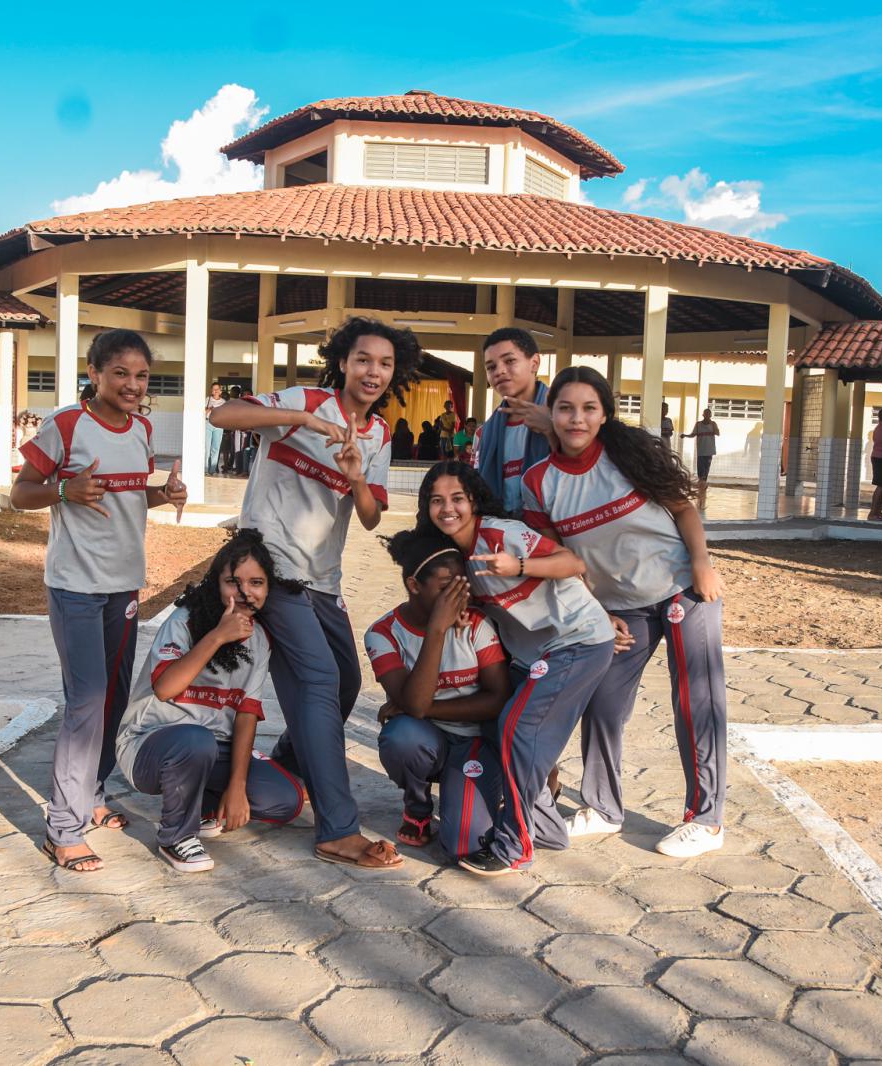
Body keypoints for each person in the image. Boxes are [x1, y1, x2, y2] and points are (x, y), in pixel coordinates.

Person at [209, 316, 424, 869]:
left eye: (385, 364)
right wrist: (299, 418)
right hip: (267, 571)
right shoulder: (306, 401)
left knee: (347, 681)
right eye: (363, 360)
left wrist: (354, 475)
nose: (373, 372)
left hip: (322, 581)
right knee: (318, 681)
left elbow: (372, 517)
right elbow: (223, 414)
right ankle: (337, 828)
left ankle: (282, 769)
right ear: (344, 363)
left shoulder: (377, 435)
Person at [523, 367, 729, 858]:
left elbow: (683, 509)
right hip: (615, 607)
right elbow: (556, 557)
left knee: (696, 700)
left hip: (681, 589)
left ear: (604, 414)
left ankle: (706, 819)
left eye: (589, 408)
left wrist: (701, 562)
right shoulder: (539, 481)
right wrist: (594, 610)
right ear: (550, 414)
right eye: (566, 407)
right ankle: (602, 809)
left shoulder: (627, 456)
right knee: (602, 705)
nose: (577, 418)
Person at [11, 328, 188, 873]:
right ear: (94, 373)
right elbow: (20, 495)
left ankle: (92, 795)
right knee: (85, 702)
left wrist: (165, 494)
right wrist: (65, 490)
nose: (133, 385)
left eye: (141, 375)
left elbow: (130, 494)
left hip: (124, 587)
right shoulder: (65, 424)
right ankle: (62, 827)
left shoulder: (142, 427)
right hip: (75, 587)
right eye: (121, 374)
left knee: (112, 697)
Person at [413, 461, 618, 877]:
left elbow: (572, 563)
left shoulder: (501, 535)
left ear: (474, 500)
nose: (447, 508)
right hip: (534, 654)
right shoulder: (456, 555)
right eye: (437, 500)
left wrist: (519, 567)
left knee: (516, 728)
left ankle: (514, 846)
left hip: (576, 640)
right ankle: (543, 821)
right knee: (507, 731)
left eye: (457, 498)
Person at [116, 530, 306, 872]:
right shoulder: (185, 621)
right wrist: (218, 636)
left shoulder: (260, 638)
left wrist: (237, 785)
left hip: (212, 747)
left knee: (285, 799)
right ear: (216, 584)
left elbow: (247, 712)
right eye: (233, 582)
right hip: (150, 744)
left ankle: (203, 805)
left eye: (257, 583)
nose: (245, 592)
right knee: (195, 740)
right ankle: (175, 836)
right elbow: (165, 688)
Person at [366, 527, 510, 859]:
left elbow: (496, 699)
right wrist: (437, 629)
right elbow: (413, 707)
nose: (458, 598)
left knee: (465, 845)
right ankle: (416, 806)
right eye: (447, 588)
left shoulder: (476, 624)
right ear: (413, 586)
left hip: (474, 741)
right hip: (426, 740)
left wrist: (422, 709)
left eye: (463, 586)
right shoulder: (383, 633)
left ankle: (482, 790)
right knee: (400, 735)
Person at [475, 327, 553, 514]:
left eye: (509, 361)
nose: (499, 371)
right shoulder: (486, 431)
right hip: (505, 533)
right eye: (491, 367)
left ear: (534, 363)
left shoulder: (565, 416)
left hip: (554, 533)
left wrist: (554, 428)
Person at [687, 408, 718, 507]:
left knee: (706, 471)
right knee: (701, 471)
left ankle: (703, 487)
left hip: (709, 451)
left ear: (711, 415)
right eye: (706, 414)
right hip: (700, 451)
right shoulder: (698, 424)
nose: (708, 415)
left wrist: (712, 425)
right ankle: (702, 487)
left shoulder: (713, 424)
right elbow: (693, 434)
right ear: (703, 414)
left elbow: (718, 433)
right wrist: (685, 435)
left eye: (709, 414)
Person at [204, 382, 227, 475]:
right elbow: (203, 413)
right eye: (214, 389)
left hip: (218, 426)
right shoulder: (207, 399)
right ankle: (205, 469)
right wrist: (210, 408)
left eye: (217, 389)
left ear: (220, 391)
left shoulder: (223, 402)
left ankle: (212, 470)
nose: (216, 391)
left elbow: (225, 415)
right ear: (211, 391)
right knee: (206, 448)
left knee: (216, 448)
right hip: (208, 424)